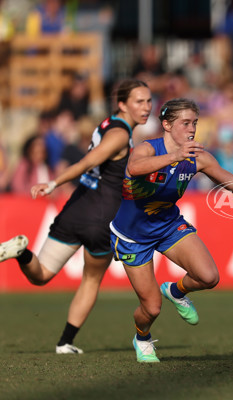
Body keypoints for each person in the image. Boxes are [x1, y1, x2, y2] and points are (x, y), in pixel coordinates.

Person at [109, 98, 233, 363]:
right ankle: (142, 337)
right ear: (166, 125)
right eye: (185, 123)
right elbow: (134, 168)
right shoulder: (148, 148)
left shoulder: (199, 157)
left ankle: (177, 291)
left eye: (195, 123)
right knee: (151, 308)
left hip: (168, 225)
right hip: (132, 235)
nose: (192, 129)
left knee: (208, 276)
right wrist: (174, 156)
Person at [0, 79, 152, 354]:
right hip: (102, 216)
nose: (147, 107)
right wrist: (54, 183)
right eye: (139, 101)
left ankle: (22, 253)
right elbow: (88, 162)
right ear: (122, 104)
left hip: (76, 208)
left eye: (149, 101)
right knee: (91, 280)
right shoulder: (119, 135)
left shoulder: (107, 124)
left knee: (41, 274)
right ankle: (65, 342)